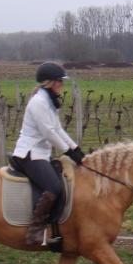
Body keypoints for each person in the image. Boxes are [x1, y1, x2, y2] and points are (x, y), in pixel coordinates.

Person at [12, 62, 84, 245]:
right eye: (59, 81)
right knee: (53, 187)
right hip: (29, 154)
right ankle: (34, 231)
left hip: (40, 153)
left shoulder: (49, 102)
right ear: (49, 82)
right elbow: (48, 133)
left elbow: (58, 129)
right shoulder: (39, 102)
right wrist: (67, 151)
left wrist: (76, 149)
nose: (62, 84)